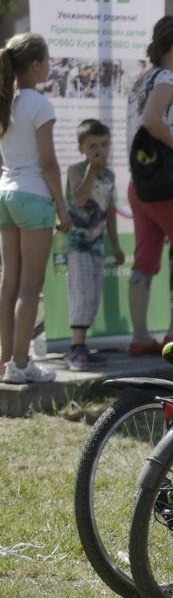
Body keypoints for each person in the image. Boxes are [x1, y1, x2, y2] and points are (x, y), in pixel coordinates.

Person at [125, 15, 173, 355]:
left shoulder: (142, 79)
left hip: (140, 184)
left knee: (144, 261)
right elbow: (152, 120)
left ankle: (140, 337)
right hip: (168, 187)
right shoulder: (169, 79)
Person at [0, 33, 71, 384]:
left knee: (9, 282)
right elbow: (48, 164)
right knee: (31, 285)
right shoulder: (39, 105)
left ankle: (5, 362)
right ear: (35, 64)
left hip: (6, 194)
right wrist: (64, 208)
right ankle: (21, 364)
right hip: (33, 198)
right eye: (47, 60)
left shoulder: (5, 101)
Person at [62, 119, 124, 371]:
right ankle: (75, 349)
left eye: (104, 144)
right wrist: (91, 170)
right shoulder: (75, 170)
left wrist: (116, 246)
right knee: (82, 294)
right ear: (81, 149)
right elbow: (78, 199)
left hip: (97, 246)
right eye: (93, 146)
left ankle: (82, 347)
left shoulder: (109, 175)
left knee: (93, 297)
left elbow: (109, 212)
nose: (100, 150)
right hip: (78, 245)